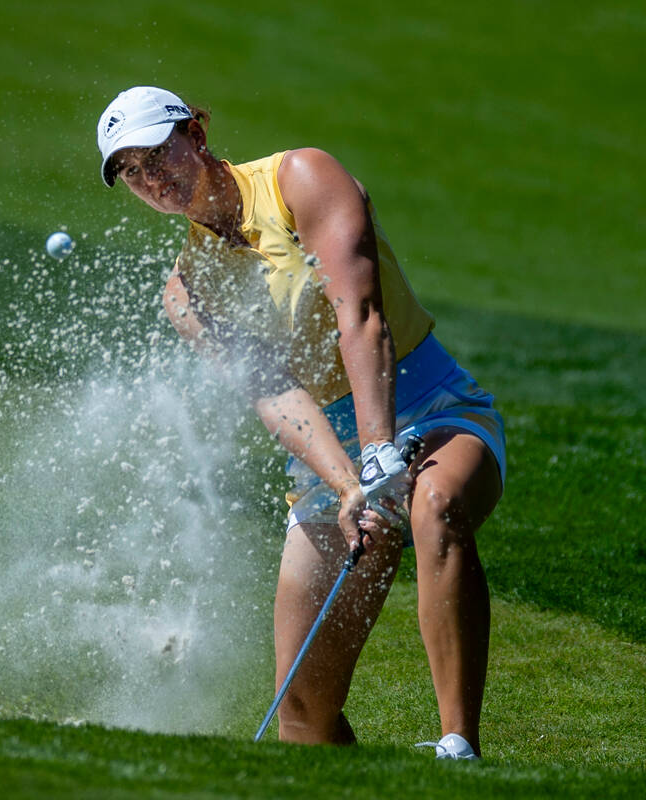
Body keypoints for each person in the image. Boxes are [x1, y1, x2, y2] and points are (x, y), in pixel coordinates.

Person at [95, 86, 505, 759]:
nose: (151, 178)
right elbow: (276, 395)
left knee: (436, 503)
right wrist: (348, 483)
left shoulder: (300, 180)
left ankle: (459, 748)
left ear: (196, 134)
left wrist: (379, 450)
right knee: (303, 715)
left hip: (431, 408)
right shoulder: (186, 292)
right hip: (329, 458)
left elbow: (360, 316)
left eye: (157, 155)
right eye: (132, 172)